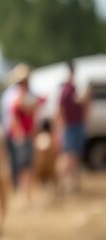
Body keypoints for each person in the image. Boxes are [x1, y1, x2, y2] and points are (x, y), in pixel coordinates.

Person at [8, 63, 44, 207]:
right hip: (21, 136)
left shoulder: (26, 95)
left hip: (27, 135)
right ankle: (23, 196)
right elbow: (16, 113)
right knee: (23, 166)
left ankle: (25, 195)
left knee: (27, 166)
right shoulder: (16, 95)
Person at [56, 62, 88, 193]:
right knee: (69, 155)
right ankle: (63, 180)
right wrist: (62, 126)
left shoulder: (76, 89)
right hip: (69, 126)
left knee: (75, 154)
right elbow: (60, 110)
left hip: (76, 125)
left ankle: (73, 182)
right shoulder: (66, 91)